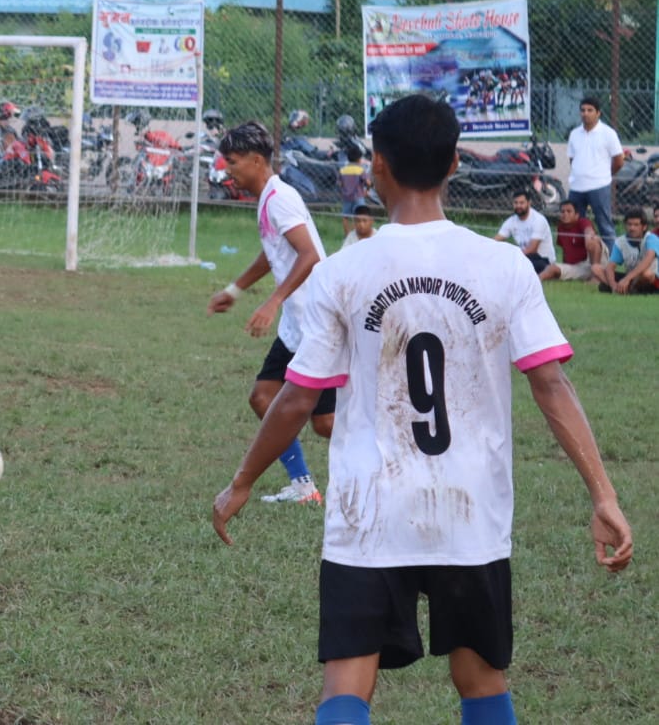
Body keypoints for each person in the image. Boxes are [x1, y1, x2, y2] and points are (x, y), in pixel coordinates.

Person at [212, 94, 633, 725]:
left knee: (348, 681)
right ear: (455, 163)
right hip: (470, 507)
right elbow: (551, 386)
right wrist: (603, 494)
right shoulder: (504, 266)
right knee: (481, 678)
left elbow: (298, 397)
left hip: (369, 508)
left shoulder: (344, 272)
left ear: (377, 164)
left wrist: (242, 481)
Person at [206, 120, 330, 505]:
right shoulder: (267, 199)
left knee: (326, 423)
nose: (228, 169)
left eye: (233, 161)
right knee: (263, 397)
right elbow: (274, 252)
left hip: (318, 322)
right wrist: (235, 289)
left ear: (257, 160)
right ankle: (303, 486)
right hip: (297, 324)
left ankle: (394, 457)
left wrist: (271, 301)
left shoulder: (280, 198)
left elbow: (308, 254)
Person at [565, 95, 623, 252]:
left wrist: (605, 174)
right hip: (577, 187)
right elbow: (572, 159)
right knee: (574, 224)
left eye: (590, 110)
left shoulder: (608, 133)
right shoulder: (574, 134)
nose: (586, 113)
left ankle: (612, 261)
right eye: (583, 110)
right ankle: (576, 258)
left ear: (598, 113)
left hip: (599, 186)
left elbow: (619, 160)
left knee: (605, 225)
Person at [591, 210, 659, 295]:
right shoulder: (620, 242)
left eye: (636, 225)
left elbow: (648, 260)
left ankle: (630, 289)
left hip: (651, 280)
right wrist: (613, 285)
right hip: (630, 277)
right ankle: (619, 290)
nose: (632, 228)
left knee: (646, 274)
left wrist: (627, 279)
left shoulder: (651, 239)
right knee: (596, 268)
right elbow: (610, 267)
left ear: (644, 227)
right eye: (629, 224)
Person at [540, 199, 602, 283]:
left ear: (576, 215)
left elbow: (589, 231)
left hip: (594, 262)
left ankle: (597, 276)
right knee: (552, 268)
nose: (565, 214)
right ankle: (534, 280)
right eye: (562, 212)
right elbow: (565, 251)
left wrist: (588, 238)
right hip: (577, 267)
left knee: (593, 240)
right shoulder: (561, 228)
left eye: (569, 211)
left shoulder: (583, 222)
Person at [493, 191, 554, 276]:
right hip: (524, 257)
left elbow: (532, 249)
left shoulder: (539, 220)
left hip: (542, 259)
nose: (518, 206)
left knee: (515, 266)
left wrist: (512, 258)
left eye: (522, 203)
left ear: (529, 203)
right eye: (516, 203)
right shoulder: (512, 221)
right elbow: (496, 240)